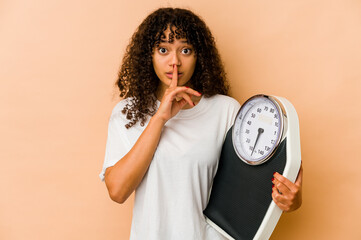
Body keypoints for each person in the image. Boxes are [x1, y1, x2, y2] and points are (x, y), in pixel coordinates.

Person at [99, 7, 303, 240]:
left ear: (199, 56)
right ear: (149, 55)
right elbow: (117, 191)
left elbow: (251, 188)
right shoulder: (128, 113)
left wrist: (291, 199)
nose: (174, 62)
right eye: (163, 50)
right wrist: (160, 118)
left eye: (186, 50)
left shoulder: (225, 110)